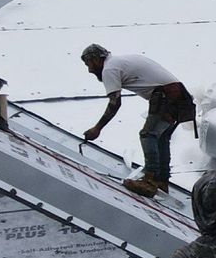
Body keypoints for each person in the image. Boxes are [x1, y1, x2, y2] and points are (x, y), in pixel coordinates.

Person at [80, 44, 193, 197]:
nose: (90, 70)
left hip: (166, 96)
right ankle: (161, 181)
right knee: (161, 138)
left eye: (89, 64)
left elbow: (115, 103)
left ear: (96, 59)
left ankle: (149, 181)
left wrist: (97, 128)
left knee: (148, 135)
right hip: (179, 97)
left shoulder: (109, 69)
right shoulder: (120, 62)